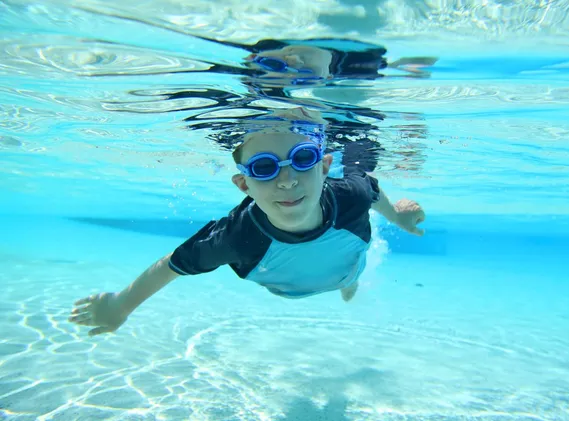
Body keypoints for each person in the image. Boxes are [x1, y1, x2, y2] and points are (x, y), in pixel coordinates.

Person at [68, 108, 426, 337]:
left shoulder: (350, 194)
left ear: (325, 167)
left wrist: (399, 216)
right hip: (284, 287)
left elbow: (373, 192)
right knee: (344, 275)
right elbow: (172, 266)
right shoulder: (236, 237)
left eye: (303, 159)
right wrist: (121, 306)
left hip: (348, 268)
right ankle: (346, 285)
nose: (286, 181)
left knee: (350, 278)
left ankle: (349, 287)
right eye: (265, 168)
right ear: (244, 184)